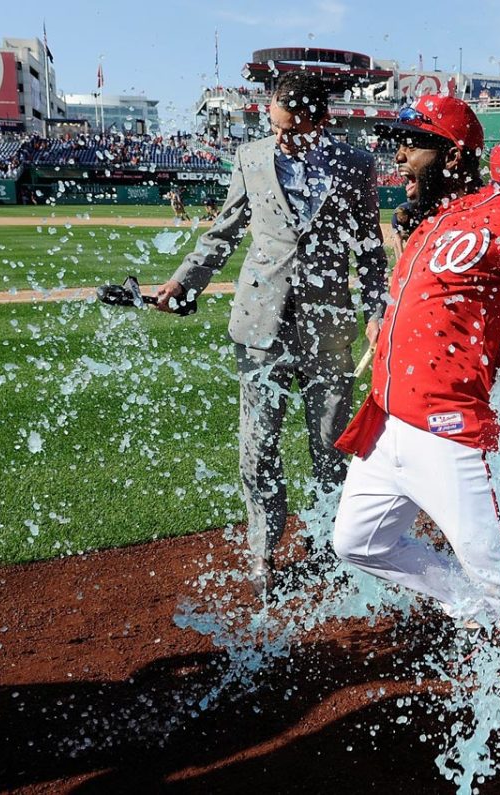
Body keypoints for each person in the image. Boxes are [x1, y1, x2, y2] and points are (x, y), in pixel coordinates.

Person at [331, 96, 500, 625]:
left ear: (454, 157)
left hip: (449, 430)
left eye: (413, 143)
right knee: (358, 543)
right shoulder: (430, 223)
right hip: (386, 424)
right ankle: (475, 612)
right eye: (398, 142)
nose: (399, 154)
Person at [155, 70, 387, 593]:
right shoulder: (251, 158)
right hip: (259, 324)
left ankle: (328, 544)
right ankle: (264, 551)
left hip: (327, 327)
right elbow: (224, 232)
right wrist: (182, 282)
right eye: (275, 126)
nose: (280, 137)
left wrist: (378, 308)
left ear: (320, 120)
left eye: (291, 129)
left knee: (330, 444)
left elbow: (370, 250)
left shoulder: (355, 165)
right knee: (258, 445)